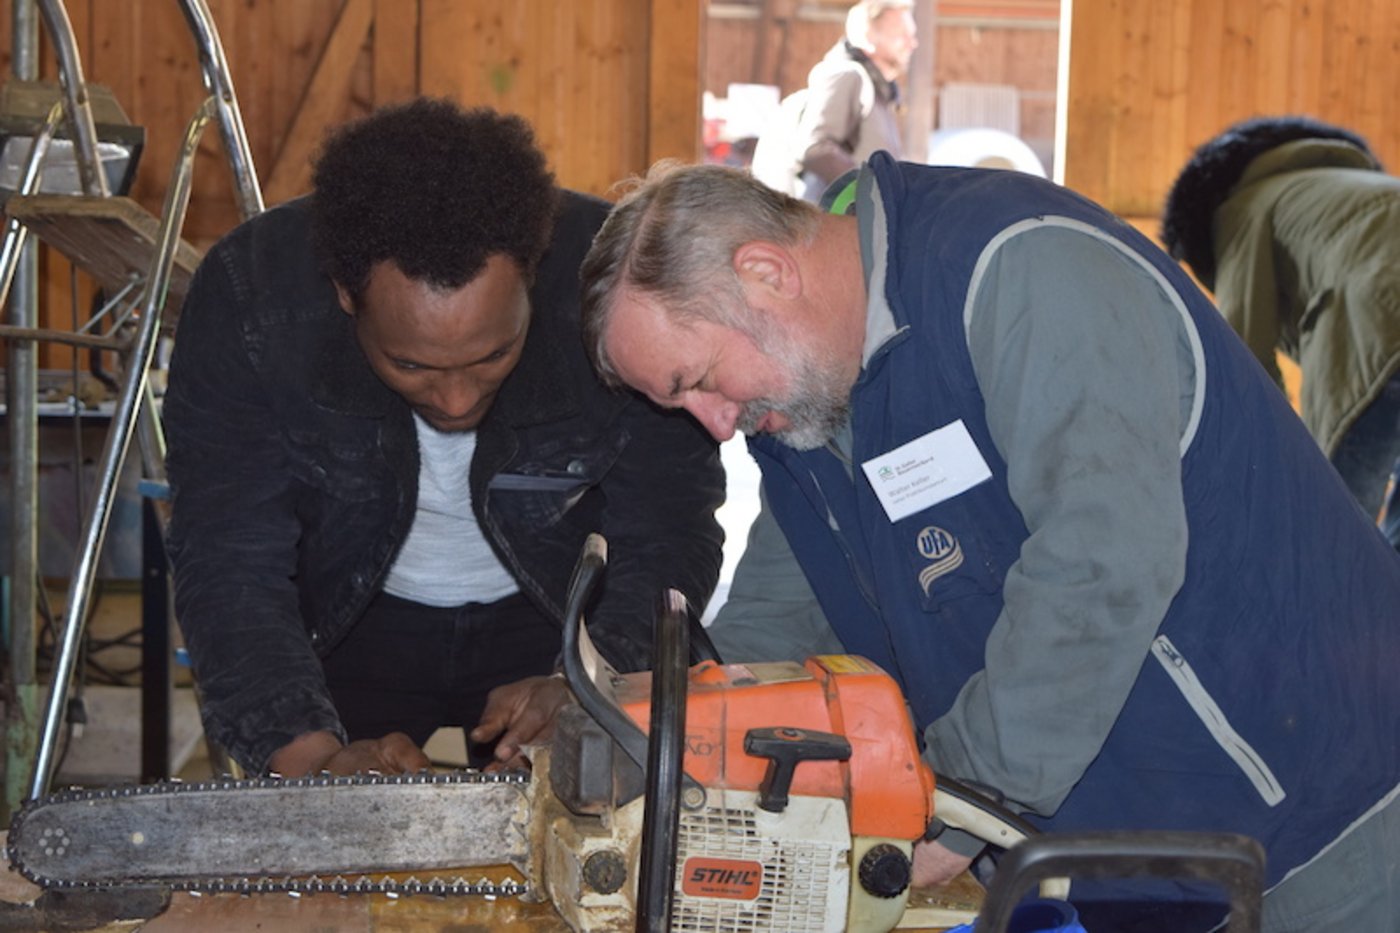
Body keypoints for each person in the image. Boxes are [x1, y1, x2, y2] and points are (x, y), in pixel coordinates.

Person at [578, 156, 1400, 931]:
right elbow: (778, 620)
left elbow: (1102, 562)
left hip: (1329, 816)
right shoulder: (802, 406)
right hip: (1156, 867)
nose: (715, 424)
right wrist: (669, 737)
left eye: (698, 381)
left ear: (765, 273)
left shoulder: (1020, 272)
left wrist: (962, 792)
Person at [161, 99, 724, 779]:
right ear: (345, 294)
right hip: (346, 626)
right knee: (338, 846)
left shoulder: (617, 290)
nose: (457, 399)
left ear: (533, 275)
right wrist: (311, 758)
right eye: (412, 365)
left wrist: (595, 687)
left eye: (493, 355)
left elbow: (667, 526)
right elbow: (228, 554)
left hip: (563, 621)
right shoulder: (252, 297)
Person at [1162, 115, 1400, 548]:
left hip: (1385, 319)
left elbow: (1244, 355)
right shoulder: (1345, 186)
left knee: (1332, 533)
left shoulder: (1241, 209)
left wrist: (1264, 475)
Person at [749, 0, 917, 201]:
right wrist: (868, 191)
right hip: (838, 221)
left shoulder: (878, 89)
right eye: (902, 35)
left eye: (912, 35)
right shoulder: (848, 75)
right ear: (868, 36)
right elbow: (815, 148)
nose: (912, 43)